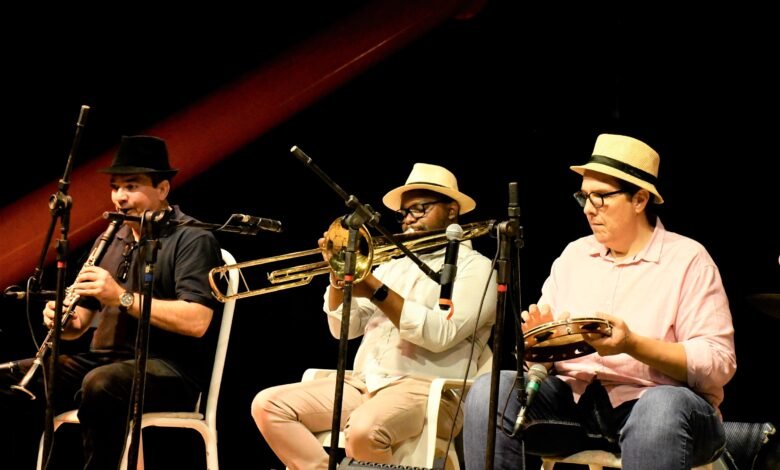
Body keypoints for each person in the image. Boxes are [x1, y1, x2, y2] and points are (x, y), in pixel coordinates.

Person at [463, 134, 737, 469]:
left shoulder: (688, 259)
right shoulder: (575, 255)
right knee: (489, 394)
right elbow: (541, 362)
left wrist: (632, 344)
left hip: (662, 409)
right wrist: (542, 345)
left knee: (660, 407)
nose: (590, 208)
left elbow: (717, 363)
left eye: (602, 197)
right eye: (584, 197)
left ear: (639, 199)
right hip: (576, 406)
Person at [251, 163, 497, 469]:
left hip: (429, 388)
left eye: (420, 208)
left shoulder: (477, 269)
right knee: (269, 405)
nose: (409, 218)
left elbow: (439, 335)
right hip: (366, 384)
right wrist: (337, 276)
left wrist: (377, 290)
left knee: (367, 429)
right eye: (405, 212)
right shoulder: (391, 265)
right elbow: (344, 329)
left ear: (451, 211)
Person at [0, 135, 223, 469]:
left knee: (102, 384)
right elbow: (81, 323)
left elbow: (197, 321)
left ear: (162, 189)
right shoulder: (113, 238)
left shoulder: (192, 238)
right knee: (9, 377)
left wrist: (121, 296)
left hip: (169, 370)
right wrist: (64, 320)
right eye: (115, 187)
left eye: (131, 186)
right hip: (103, 363)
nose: (120, 197)